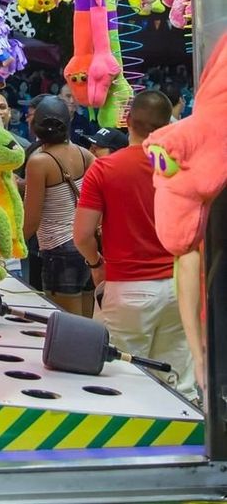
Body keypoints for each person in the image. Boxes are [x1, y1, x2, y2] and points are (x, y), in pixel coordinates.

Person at [74, 89, 196, 398]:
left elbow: (83, 234)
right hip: (180, 284)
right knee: (178, 378)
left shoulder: (104, 170)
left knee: (121, 379)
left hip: (128, 287)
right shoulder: (184, 167)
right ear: (168, 123)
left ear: (128, 121)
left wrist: (96, 264)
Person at [23, 96, 95, 316]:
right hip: (87, 245)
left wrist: (13, 248)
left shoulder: (39, 161)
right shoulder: (86, 155)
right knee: (86, 325)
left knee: (68, 330)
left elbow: (32, 219)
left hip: (59, 250)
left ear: (36, 127)